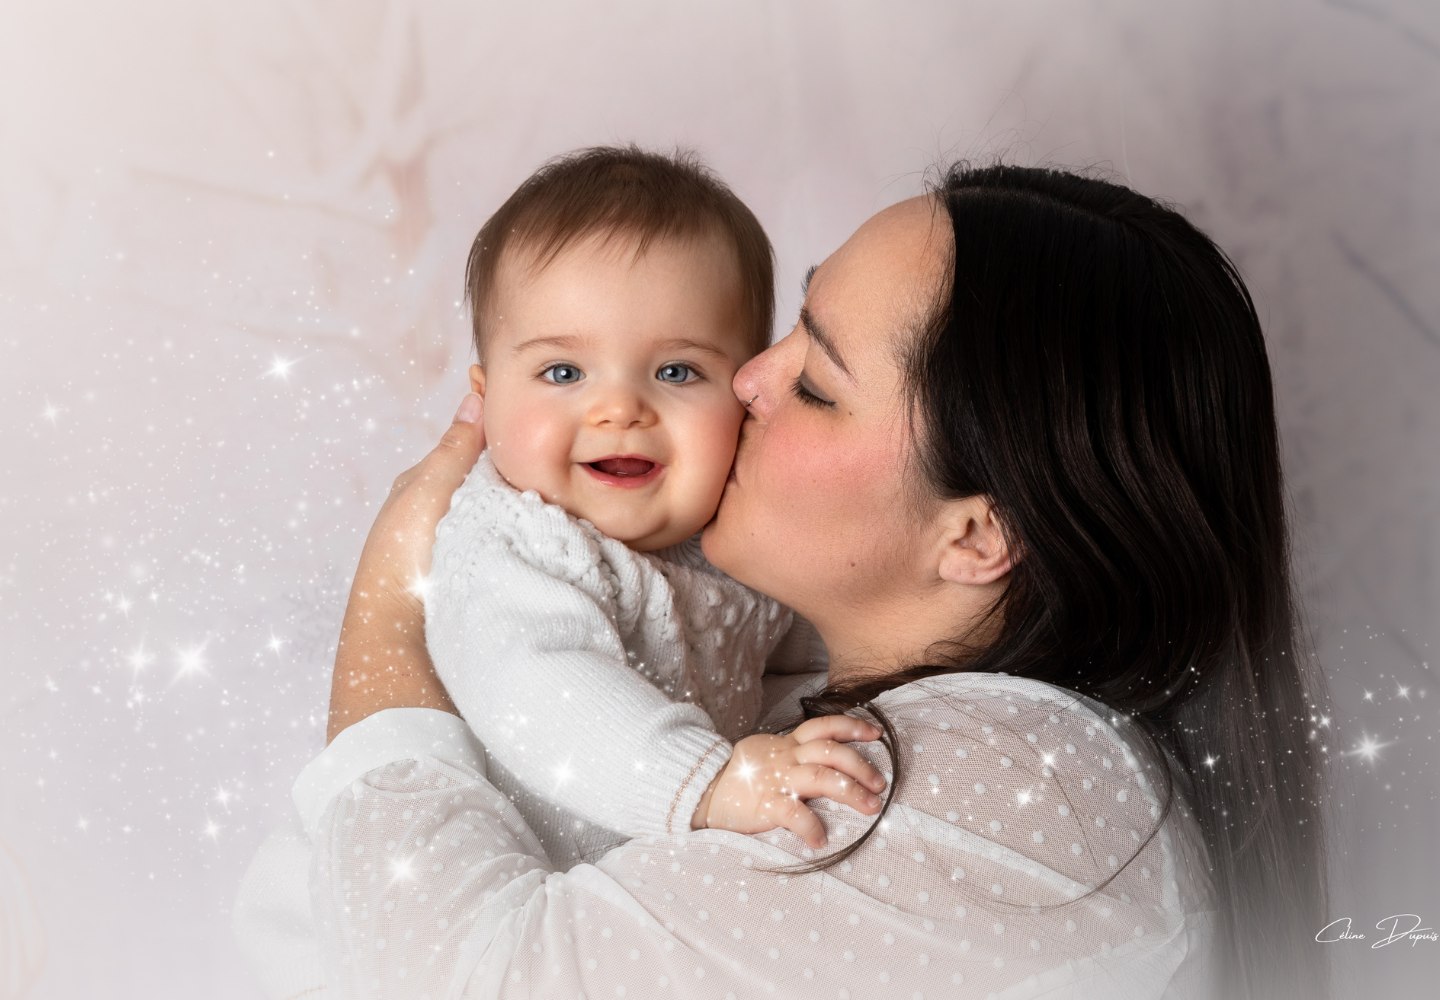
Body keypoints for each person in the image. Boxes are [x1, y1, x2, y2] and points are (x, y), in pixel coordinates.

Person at [260, 162, 1331, 999]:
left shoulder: (1033, 791)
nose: (748, 380)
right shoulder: (862, 712)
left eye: (816, 383)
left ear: (974, 537)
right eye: (785, 337)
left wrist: (391, 603)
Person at [426, 145, 883, 870]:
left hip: (640, 892)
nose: (620, 409)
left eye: (677, 370)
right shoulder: (509, 542)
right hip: (476, 893)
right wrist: (709, 783)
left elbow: (809, 641)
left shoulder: (727, 535)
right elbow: (539, 692)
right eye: (563, 372)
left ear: (745, 391)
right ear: (485, 399)